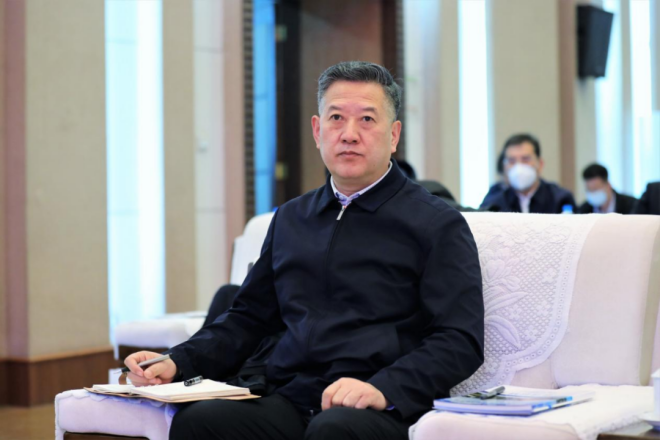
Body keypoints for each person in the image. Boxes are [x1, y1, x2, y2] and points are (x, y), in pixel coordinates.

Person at [124, 61, 484, 440]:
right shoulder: (292, 218)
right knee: (200, 421)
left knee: (334, 430)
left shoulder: (436, 223)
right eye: (336, 118)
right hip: (291, 395)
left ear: (393, 135)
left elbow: (459, 338)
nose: (349, 134)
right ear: (317, 130)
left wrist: (385, 388)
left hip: (380, 404)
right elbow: (248, 318)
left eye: (366, 120)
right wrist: (177, 360)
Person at [484, 133, 576, 214]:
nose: (519, 167)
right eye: (512, 161)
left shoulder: (560, 199)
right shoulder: (494, 203)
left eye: (525, 159)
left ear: (540, 164)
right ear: (504, 167)